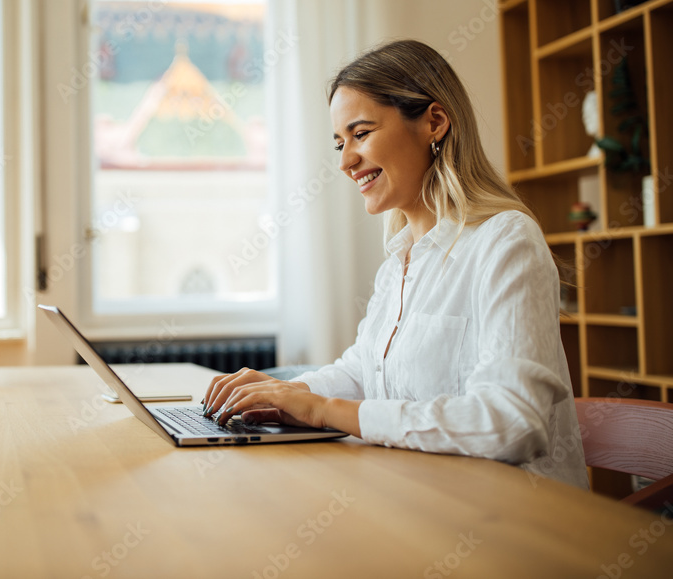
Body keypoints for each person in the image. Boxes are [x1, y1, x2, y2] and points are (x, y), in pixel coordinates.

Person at [202, 39, 588, 488]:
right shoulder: (398, 264)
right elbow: (364, 372)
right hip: (424, 497)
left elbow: (511, 422)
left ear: (435, 122)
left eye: (361, 134)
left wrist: (327, 411)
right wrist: (286, 395)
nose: (346, 161)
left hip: (515, 522)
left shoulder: (505, 240)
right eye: (339, 142)